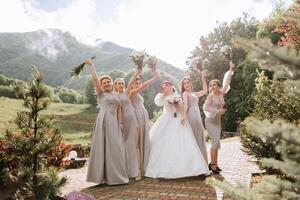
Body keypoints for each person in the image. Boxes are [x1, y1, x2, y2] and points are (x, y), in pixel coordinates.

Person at [145, 81, 210, 178]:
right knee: (165, 143)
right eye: (164, 87)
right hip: (166, 119)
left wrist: (178, 108)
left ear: (171, 86)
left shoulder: (178, 96)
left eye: (167, 85)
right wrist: (165, 96)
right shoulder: (162, 97)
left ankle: (194, 168)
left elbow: (182, 108)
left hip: (178, 119)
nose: (166, 88)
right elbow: (158, 103)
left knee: (185, 142)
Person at [85, 59, 128, 185]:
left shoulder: (117, 95)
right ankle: (101, 176)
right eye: (104, 82)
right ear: (101, 85)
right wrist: (92, 66)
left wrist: (120, 123)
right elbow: (95, 80)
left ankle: (115, 176)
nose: (106, 83)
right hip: (103, 121)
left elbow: (119, 109)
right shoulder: (101, 93)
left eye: (108, 81)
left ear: (112, 82)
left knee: (115, 148)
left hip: (114, 122)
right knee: (103, 147)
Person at [203, 61, 234, 174]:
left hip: (217, 120)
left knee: (217, 142)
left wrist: (230, 70)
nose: (212, 87)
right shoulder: (210, 96)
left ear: (218, 86)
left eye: (214, 85)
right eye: (211, 85)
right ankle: (213, 165)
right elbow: (206, 108)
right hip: (210, 121)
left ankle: (215, 163)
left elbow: (227, 82)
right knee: (215, 142)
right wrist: (217, 110)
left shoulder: (222, 93)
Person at [114, 70, 142, 180]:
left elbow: (131, 83)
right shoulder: (114, 96)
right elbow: (118, 110)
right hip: (122, 122)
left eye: (122, 83)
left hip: (132, 120)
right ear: (115, 86)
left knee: (135, 146)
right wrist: (120, 122)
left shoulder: (127, 93)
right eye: (119, 83)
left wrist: (136, 73)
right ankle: (127, 170)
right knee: (125, 147)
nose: (121, 85)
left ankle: (138, 171)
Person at [130, 70, 159, 175]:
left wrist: (155, 77)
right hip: (136, 116)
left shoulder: (137, 91)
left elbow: (145, 85)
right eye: (135, 83)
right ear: (131, 83)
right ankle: (138, 167)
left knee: (144, 138)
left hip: (143, 115)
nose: (138, 85)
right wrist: (152, 79)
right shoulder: (130, 92)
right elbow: (144, 85)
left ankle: (144, 164)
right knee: (138, 141)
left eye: (138, 83)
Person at [181, 71, 208, 163]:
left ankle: (201, 162)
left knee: (199, 135)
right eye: (184, 84)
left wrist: (202, 77)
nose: (186, 85)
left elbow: (205, 90)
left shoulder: (193, 93)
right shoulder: (185, 93)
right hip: (191, 115)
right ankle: (195, 163)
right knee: (194, 137)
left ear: (191, 83)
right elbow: (186, 106)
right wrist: (183, 117)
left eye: (187, 82)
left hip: (197, 115)